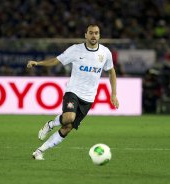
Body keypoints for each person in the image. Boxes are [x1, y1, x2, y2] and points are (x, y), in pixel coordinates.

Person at [27, 24, 119, 160]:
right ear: (86, 35)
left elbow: (111, 72)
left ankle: (40, 151)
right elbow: (55, 61)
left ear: (99, 35)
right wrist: (38, 63)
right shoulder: (75, 50)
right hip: (73, 91)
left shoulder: (105, 53)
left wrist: (114, 94)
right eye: (91, 33)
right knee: (69, 118)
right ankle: (51, 124)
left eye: (96, 33)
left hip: (89, 97)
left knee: (67, 127)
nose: (94, 35)